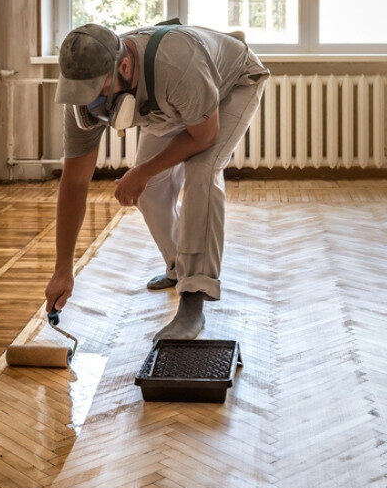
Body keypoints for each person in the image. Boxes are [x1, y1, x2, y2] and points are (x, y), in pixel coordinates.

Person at [44, 22, 269, 339]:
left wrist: (141, 171)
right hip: (170, 102)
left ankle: (194, 300)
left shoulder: (177, 62)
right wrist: (62, 269)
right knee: (149, 192)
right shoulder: (80, 95)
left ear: (124, 66)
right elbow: (74, 184)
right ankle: (179, 267)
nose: (90, 103)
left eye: (99, 91)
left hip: (232, 83)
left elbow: (204, 137)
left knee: (202, 171)